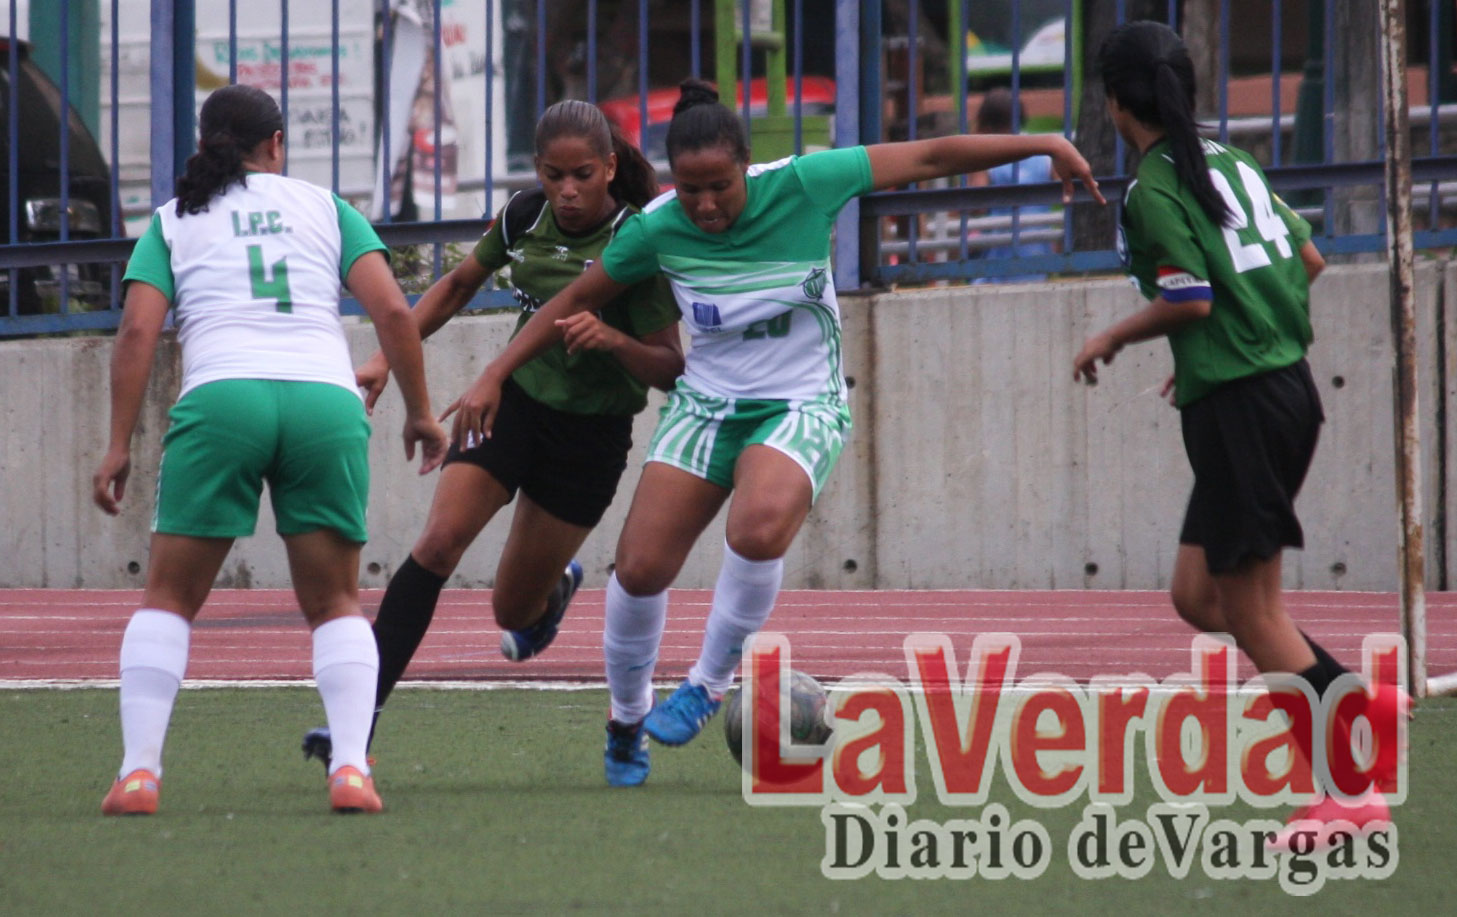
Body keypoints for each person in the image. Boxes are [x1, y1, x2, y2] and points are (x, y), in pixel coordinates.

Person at [442, 78, 1103, 787]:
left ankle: (705, 683)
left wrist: (1045, 142)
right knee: (638, 568)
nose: (705, 205)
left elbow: (931, 153)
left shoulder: (805, 182)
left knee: (756, 528)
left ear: (744, 166)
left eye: (719, 186)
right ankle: (626, 719)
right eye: (690, 189)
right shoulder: (657, 226)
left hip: (799, 399)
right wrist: (494, 374)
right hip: (706, 404)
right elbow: (567, 300)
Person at [1071, 21, 1404, 845]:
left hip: (1243, 411)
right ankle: (1354, 699)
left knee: (1254, 615)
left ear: (1113, 104)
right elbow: (1309, 260)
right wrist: (1219, 347)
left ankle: (1349, 789)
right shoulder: (1230, 161)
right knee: (1199, 597)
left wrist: (1111, 336)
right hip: (1276, 390)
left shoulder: (1152, 189)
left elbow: (1190, 301)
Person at [92, 84, 449, 816]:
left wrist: (117, 442)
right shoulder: (326, 207)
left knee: (168, 599)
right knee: (336, 603)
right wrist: (418, 410)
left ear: (203, 144)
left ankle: (138, 774)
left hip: (224, 400)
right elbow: (390, 310)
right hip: (323, 400)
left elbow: (135, 334)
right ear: (276, 144)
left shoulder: (173, 219)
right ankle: (350, 768)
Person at [300, 100, 684, 769]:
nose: (566, 190)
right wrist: (385, 358)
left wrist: (615, 339)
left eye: (583, 175)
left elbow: (670, 367)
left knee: (512, 612)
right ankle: (356, 724)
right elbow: (453, 287)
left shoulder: (636, 240)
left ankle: (550, 593)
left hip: (590, 439)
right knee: (439, 542)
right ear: (537, 169)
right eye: (553, 174)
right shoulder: (521, 215)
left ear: (610, 168)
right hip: (512, 405)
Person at [969, 86, 1054, 283]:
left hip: (1001, 257)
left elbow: (977, 206)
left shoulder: (987, 157)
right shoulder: (1040, 151)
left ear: (986, 123)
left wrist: (973, 151)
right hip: (1038, 254)